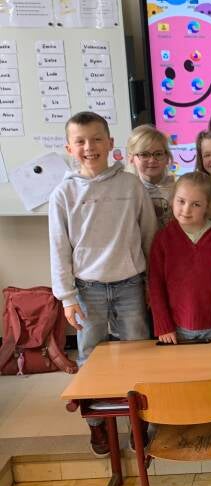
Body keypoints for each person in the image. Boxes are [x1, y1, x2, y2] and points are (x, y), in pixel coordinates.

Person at [49, 111, 157, 456]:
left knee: (139, 353)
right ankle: (98, 425)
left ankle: (142, 421)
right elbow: (59, 249)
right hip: (87, 289)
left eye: (97, 139)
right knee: (90, 357)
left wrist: (151, 283)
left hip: (130, 284)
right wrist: (66, 297)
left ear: (110, 144)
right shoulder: (63, 193)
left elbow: (148, 235)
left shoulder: (130, 185)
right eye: (80, 141)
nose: (89, 147)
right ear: (69, 148)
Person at [148, 171, 211, 343]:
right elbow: (155, 285)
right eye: (181, 201)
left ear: (207, 206)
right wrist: (164, 326)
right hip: (178, 328)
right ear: (172, 200)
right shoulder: (163, 238)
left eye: (196, 204)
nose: (186, 209)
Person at [127, 124, 174, 230]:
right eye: (144, 155)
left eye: (158, 154)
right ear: (131, 158)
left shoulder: (179, 189)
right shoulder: (127, 192)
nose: (152, 160)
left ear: (167, 157)